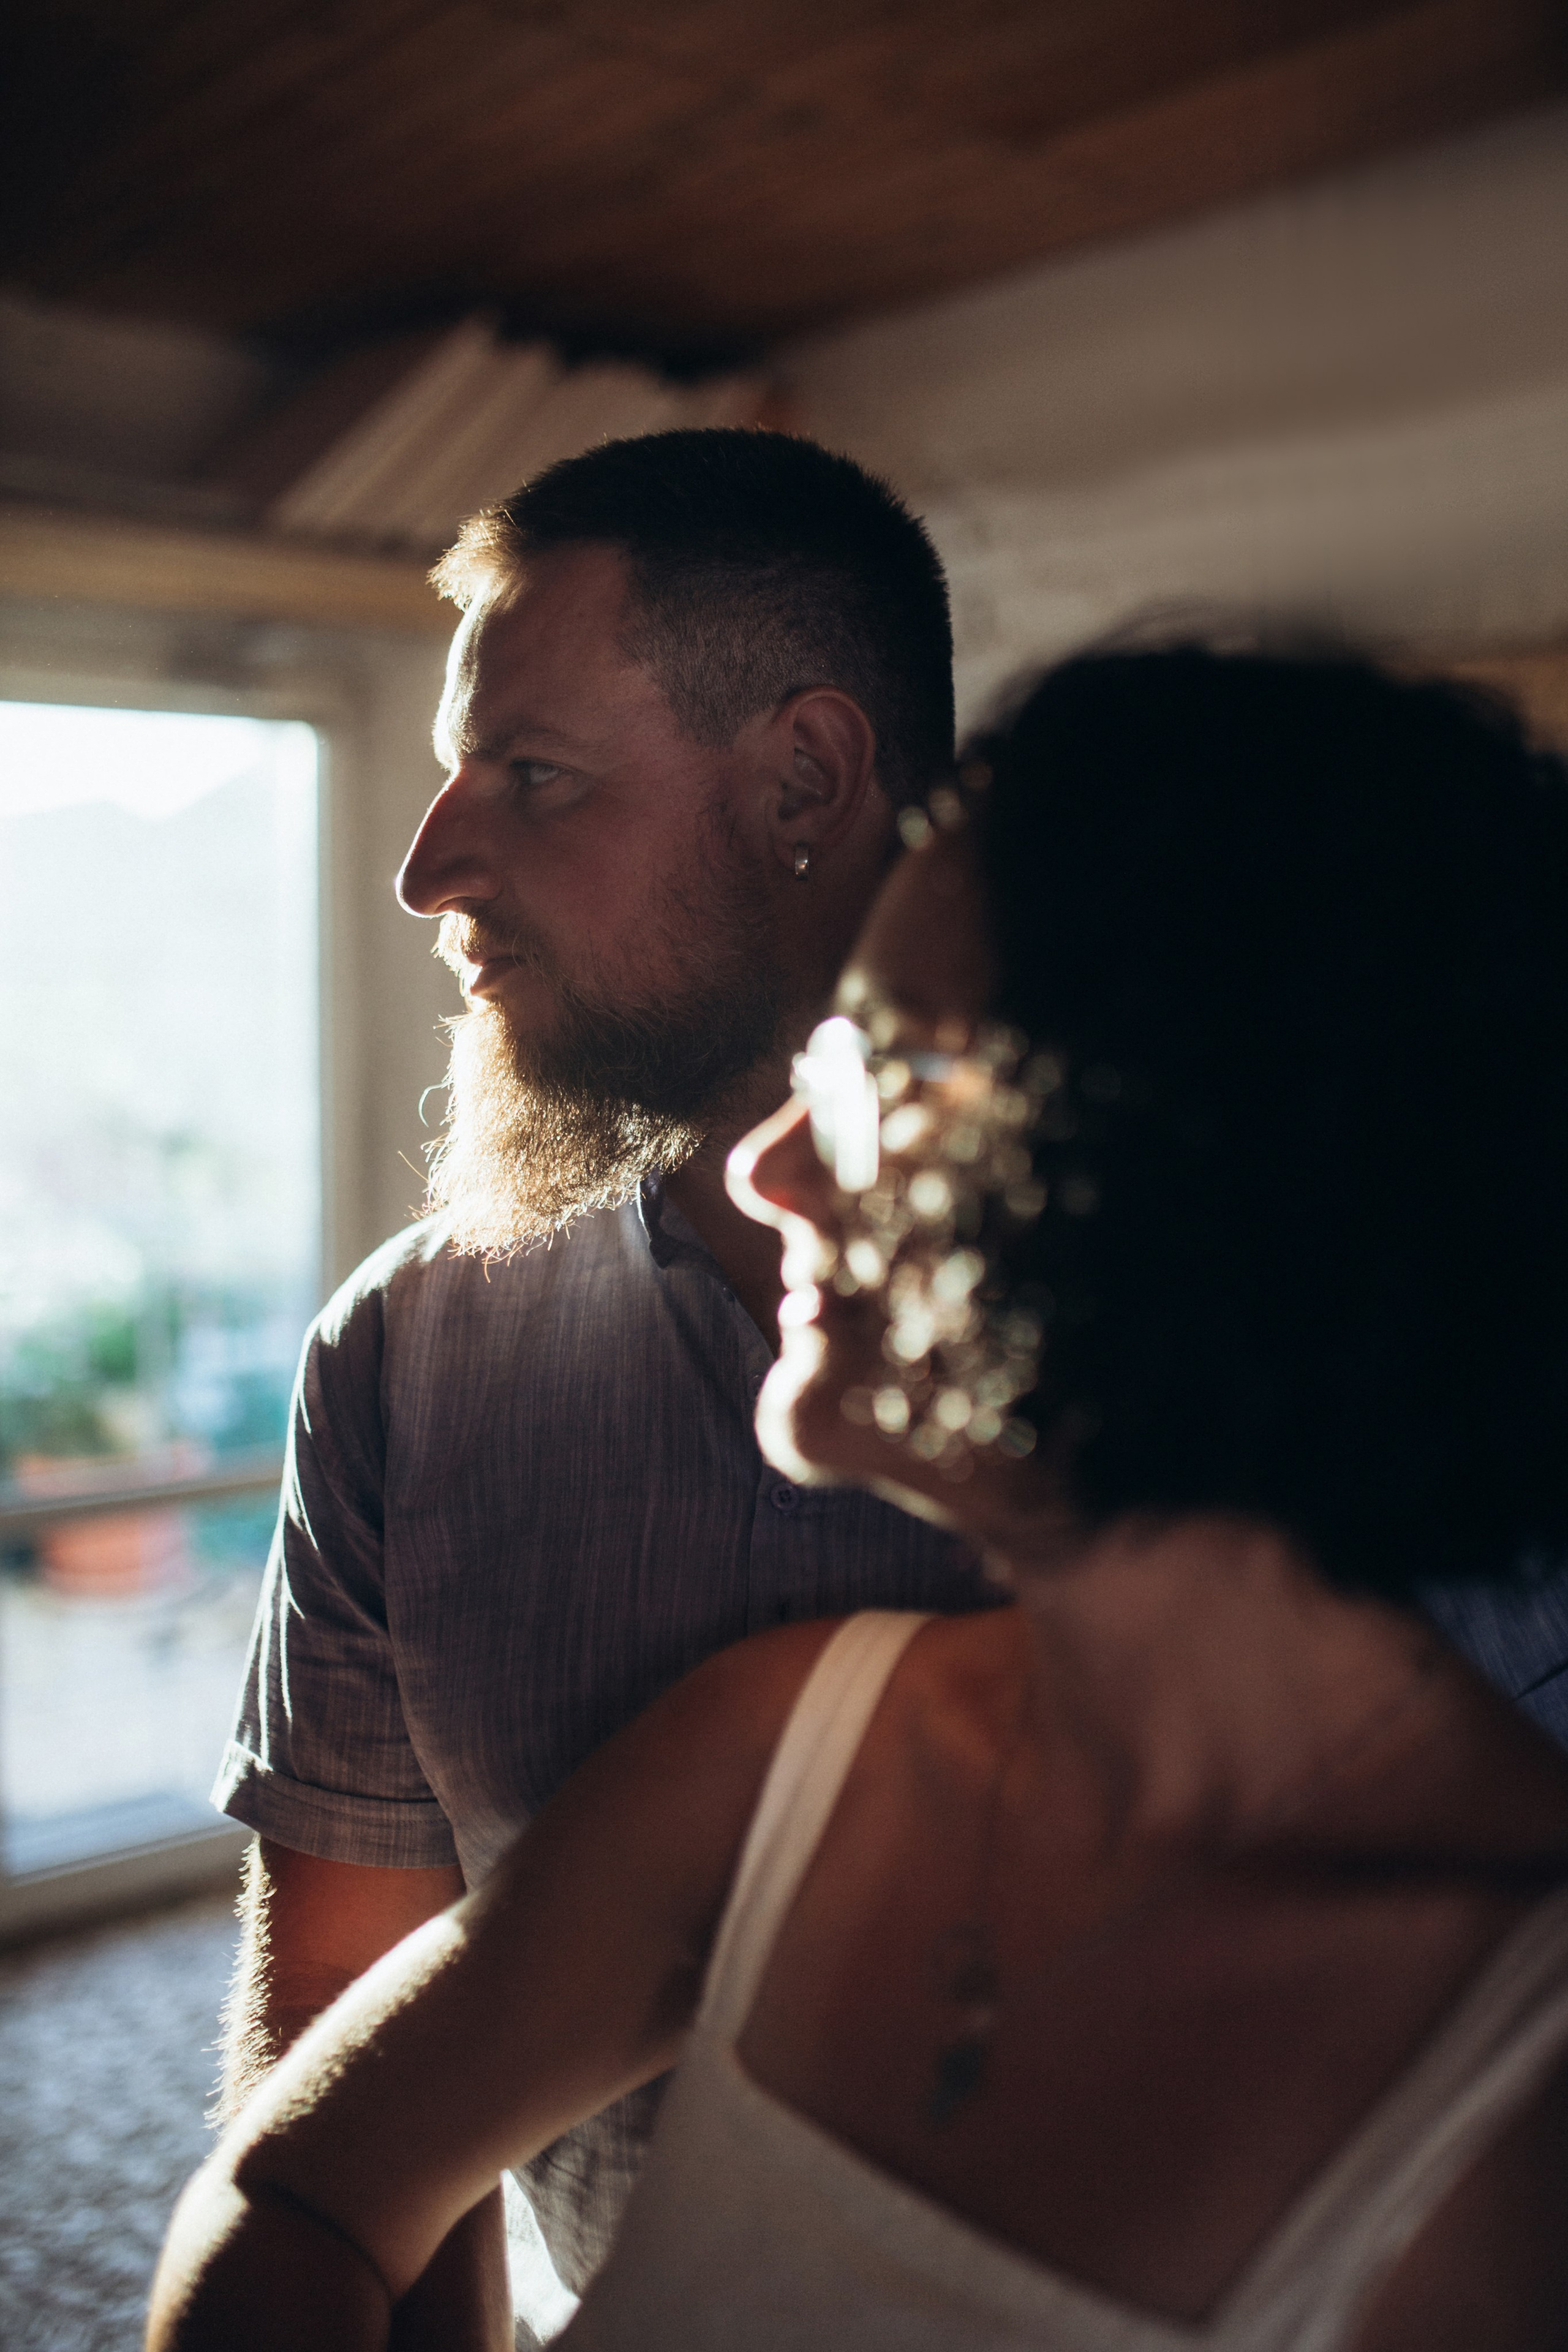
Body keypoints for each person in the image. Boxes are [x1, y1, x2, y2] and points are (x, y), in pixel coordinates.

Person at [158, 644, 1568, 2350]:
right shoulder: (781, 1745)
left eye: (878, 1078)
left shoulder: (1510, 2092)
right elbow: (298, 2188)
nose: (770, 1165)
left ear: (1188, 1168)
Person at [210, 429, 996, 2332]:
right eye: (442, 779)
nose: (427, 869)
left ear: (807, 776)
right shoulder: (405, 1353)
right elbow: (342, 2058)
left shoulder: (1268, 1357)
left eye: (530, 778)